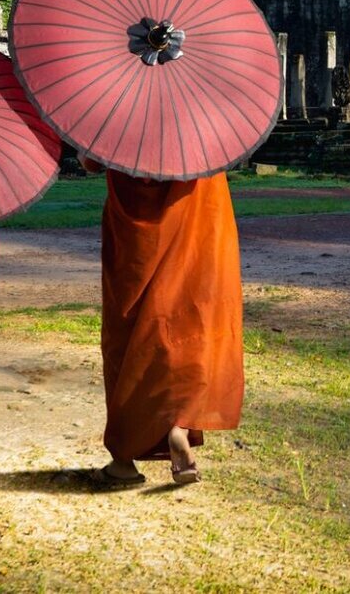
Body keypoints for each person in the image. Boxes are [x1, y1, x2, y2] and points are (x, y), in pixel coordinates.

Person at [85, 159, 244, 488]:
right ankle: (179, 424)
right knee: (188, 325)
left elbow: (89, 161)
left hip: (133, 238)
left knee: (128, 337)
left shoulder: (117, 110)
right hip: (195, 217)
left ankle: (123, 461)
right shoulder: (200, 124)